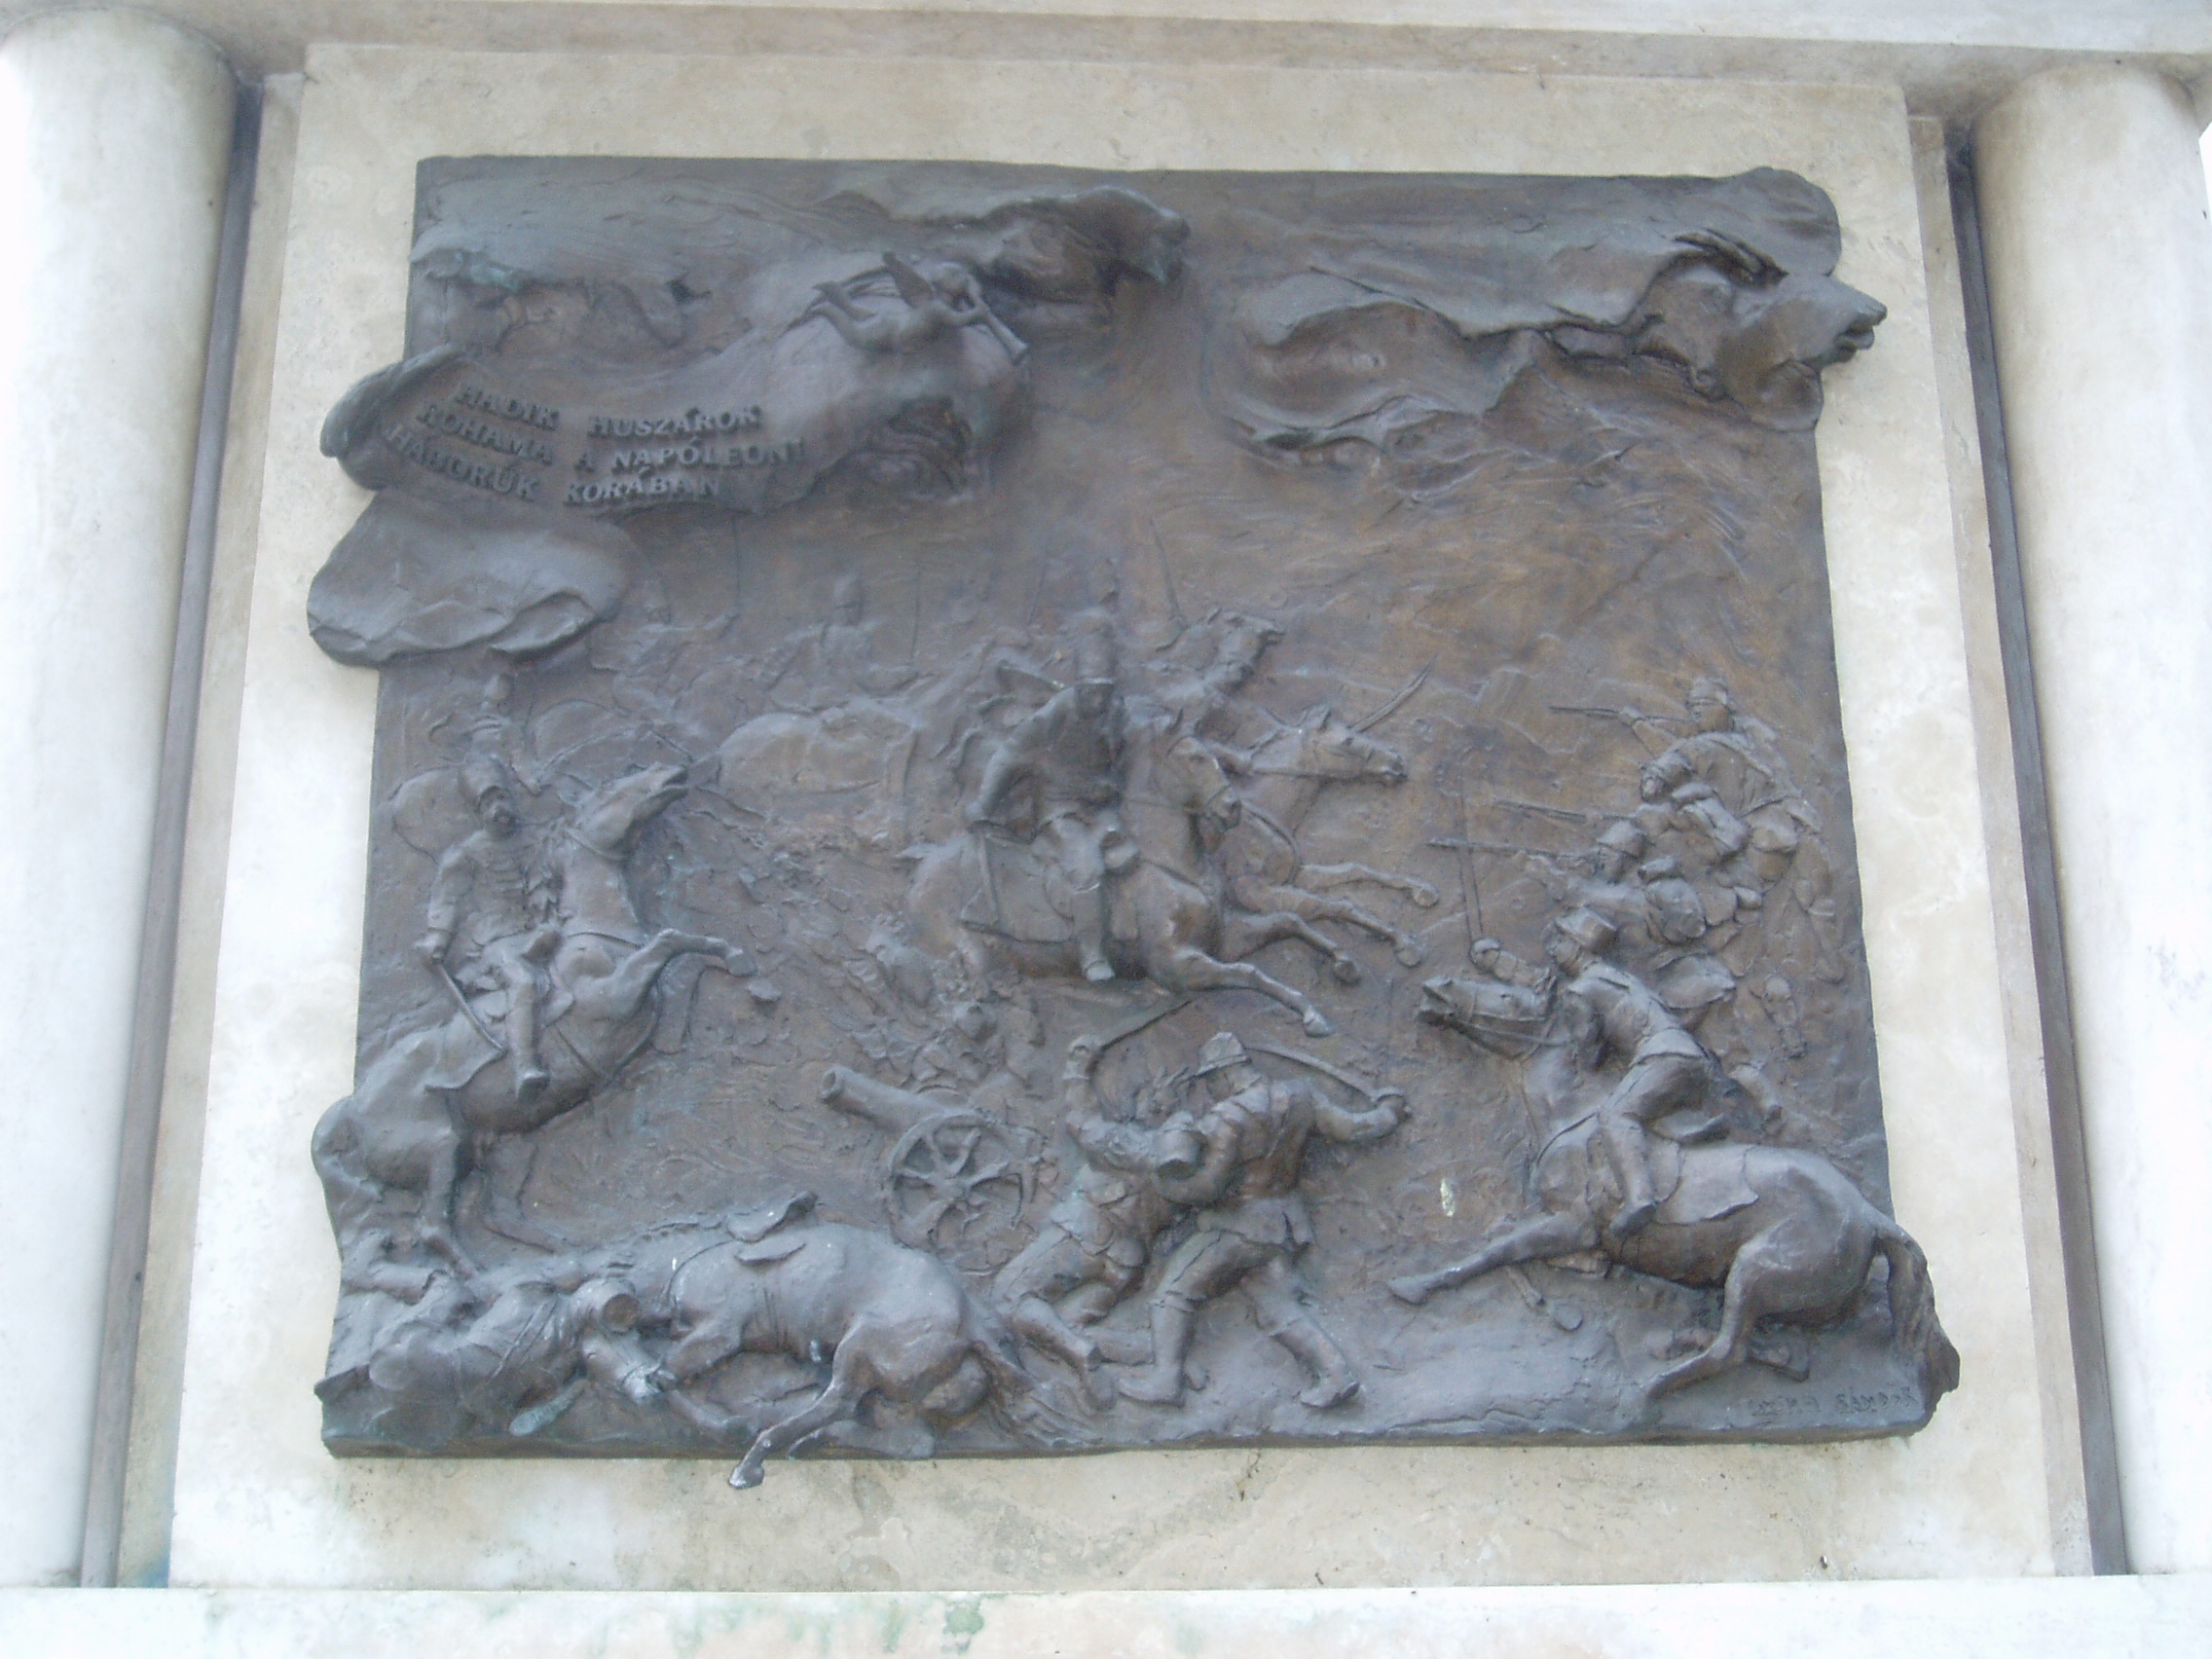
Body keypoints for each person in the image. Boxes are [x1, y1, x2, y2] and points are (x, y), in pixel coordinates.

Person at [1117, 1031, 1403, 1411]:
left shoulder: (1229, 1117)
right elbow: (1353, 1128)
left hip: (1238, 1228)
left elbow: (1207, 1187)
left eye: (1210, 1082)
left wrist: (1164, 1181)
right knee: (1279, 1310)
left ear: (1224, 1074)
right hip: (1282, 1226)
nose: (1210, 1090)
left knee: (1174, 1293)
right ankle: (1337, 1374)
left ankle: (1167, 1380)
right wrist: (1389, 1111)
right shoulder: (1302, 1096)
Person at [992, 1033, 1184, 1405]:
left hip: (1085, 1237)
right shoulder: (1186, 1173)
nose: (1135, 1100)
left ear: (1155, 1106)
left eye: (1145, 1095)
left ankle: (1081, 1353)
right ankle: (1155, 1354)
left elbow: (1082, 1121)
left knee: (1009, 1297)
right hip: (1126, 1263)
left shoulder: (1130, 1145)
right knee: (1060, 1323)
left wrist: (1078, 1069)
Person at [967, 619, 1129, 982]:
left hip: (1103, 809)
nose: (1099, 700)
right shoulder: (1056, 713)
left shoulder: (1116, 711)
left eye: (1104, 691)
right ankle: (1092, 956)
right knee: (1087, 866)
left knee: (1136, 856)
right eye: (1091, 691)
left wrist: (1109, 784)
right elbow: (1010, 754)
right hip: (1061, 814)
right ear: (1079, 687)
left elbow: (1118, 755)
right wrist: (985, 803)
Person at [1543, 907, 1715, 1243]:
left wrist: (1577, 1046)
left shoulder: (1582, 989)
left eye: (1560, 941)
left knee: (1615, 1115)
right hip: (1692, 1058)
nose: (1553, 949)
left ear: (1578, 947)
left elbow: (1590, 1055)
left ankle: (1639, 1199)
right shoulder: (1617, 976)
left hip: (1662, 1058)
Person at [418, 752, 559, 1104]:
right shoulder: (465, 855)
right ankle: (525, 1067)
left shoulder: (536, 841)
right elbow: (447, 901)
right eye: (488, 803)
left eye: (502, 798)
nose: (499, 808)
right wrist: (437, 939)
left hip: (541, 930)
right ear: (477, 811)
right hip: (495, 943)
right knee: (522, 981)